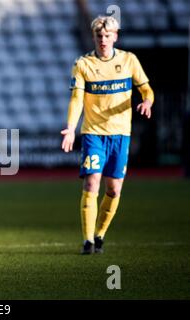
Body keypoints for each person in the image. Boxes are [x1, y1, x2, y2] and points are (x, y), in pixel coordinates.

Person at [61, 16, 154, 254]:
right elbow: (77, 99)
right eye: (99, 36)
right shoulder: (83, 64)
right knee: (92, 182)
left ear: (115, 36)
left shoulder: (129, 60)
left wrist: (147, 101)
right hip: (94, 134)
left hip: (121, 135)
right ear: (94, 37)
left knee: (113, 190)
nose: (103, 40)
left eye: (107, 36)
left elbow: (146, 89)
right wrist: (71, 128)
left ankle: (100, 234)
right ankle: (87, 241)